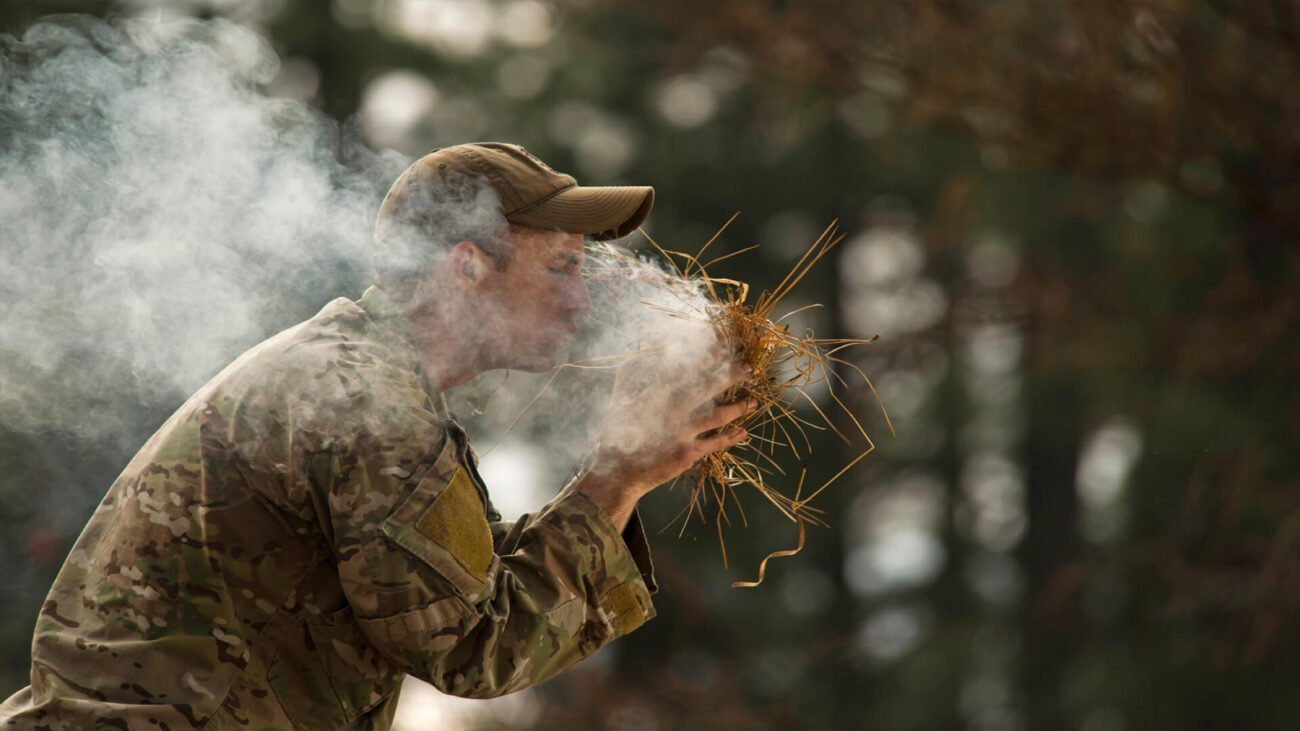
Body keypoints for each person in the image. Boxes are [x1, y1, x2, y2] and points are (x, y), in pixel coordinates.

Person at [0, 142, 752, 729]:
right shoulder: (372, 408)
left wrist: (620, 470)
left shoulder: (365, 376)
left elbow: (463, 590)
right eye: (561, 268)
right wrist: (616, 475)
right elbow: (473, 646)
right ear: (467, 267)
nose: (582, 301)